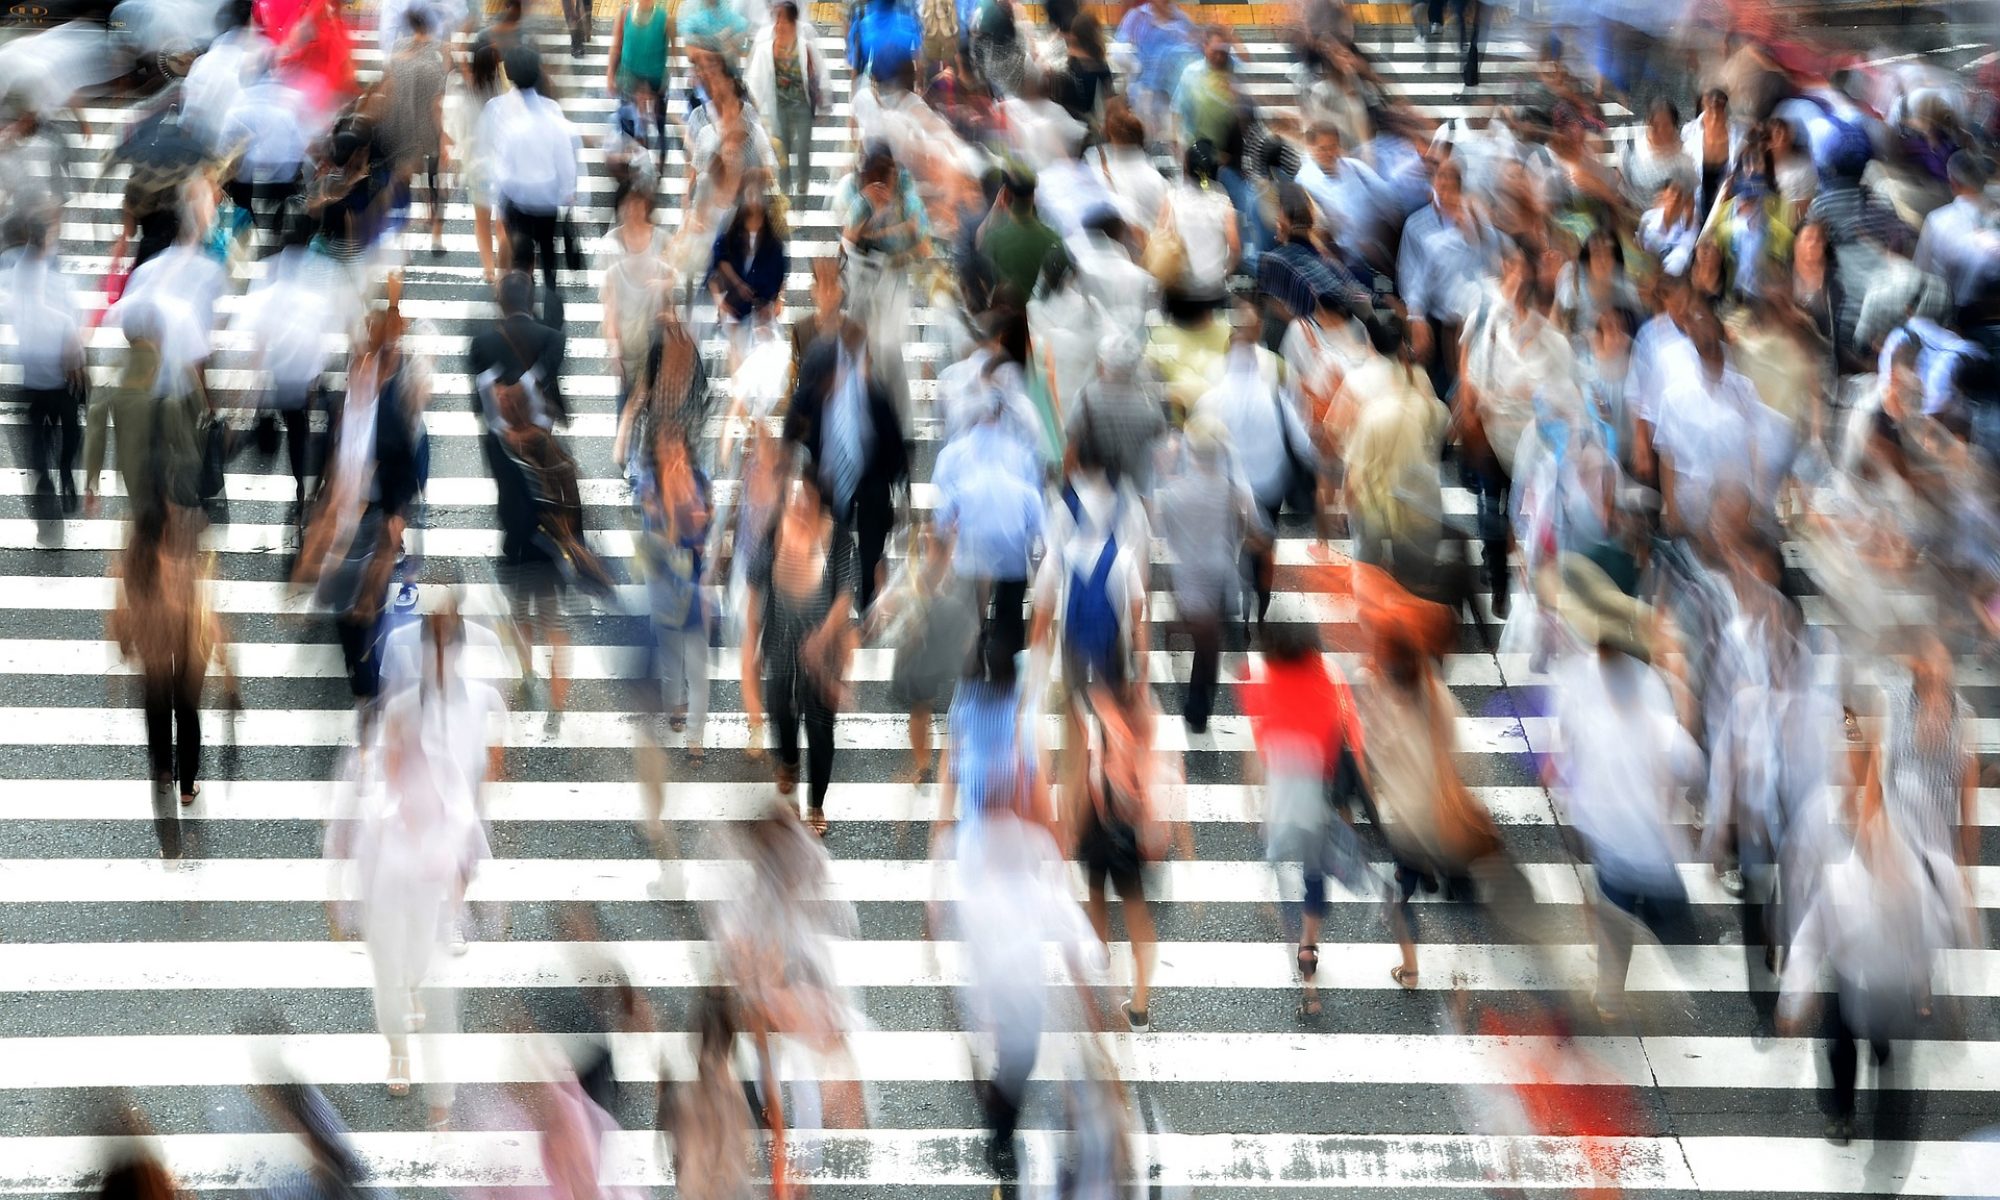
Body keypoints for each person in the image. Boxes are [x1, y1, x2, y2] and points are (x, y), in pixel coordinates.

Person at [107, 506, 235, 849]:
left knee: (156, 705)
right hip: (188, 646)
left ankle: (164, 768)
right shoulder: (179, 563)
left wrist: (122, 638)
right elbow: (203, 614)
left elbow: (120, 607)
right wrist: (225, 662)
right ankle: (187, 785)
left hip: (153, 644)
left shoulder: (134, 562)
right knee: (188, 711)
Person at [743, 469, 859, 836]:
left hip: (823, 651)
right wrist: (753, 634)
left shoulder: (837, 539)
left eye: (805, 498)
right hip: (781, 638)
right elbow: (755, 578)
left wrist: (823, 637)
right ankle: (789, 761)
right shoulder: (779, 528)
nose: (797, 504)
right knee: (780, 707)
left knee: (821, 729)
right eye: (795, 497)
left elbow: (845, 594)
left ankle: (817, 803)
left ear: (821, 503)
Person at [784, 303, 910, 615]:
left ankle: (865, 602)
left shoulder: (872, 393)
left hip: (871, 482)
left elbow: (893, 441)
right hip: (827, 479)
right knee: (829, 544)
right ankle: (829, 602)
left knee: (870, 552)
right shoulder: (815, 386)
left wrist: (903, 488)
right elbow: (794, 420)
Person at [1154, 414, 1255, 733]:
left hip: (1189, 576)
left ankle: (1195, 706)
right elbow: (1240, 530)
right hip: (1220, 575)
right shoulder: (1229, 491)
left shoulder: (1172, 494)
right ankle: (1197, 711)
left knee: (1206, 642)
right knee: (1209, 649)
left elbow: (1165, 535)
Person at [479, 48, 581, 292]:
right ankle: (550, 292)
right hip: (547, 199)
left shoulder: (495, 108)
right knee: (548, 253)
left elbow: (494, 156)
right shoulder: (551, 109)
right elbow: (565, 155)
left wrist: (498, 195)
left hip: (517, 201)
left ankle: (521, 295)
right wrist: (569, 190)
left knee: (519, 254)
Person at [7, 214, 85, 515]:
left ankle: (45, 477)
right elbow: (47, 311)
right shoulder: (41, 272)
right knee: (71, 431)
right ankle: (65, 470)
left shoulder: (23, 268)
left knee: (37, 430)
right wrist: (73, 342)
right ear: (45, 239)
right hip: (58, 375)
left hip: (33, 373)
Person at [377, 6, 451, 255]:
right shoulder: (439, 52)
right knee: (435, 177)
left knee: (403, 180)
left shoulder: (398, 48)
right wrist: (444, 136)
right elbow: (437, 104)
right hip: (427, 126)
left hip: (400, 123)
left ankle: (402, 234)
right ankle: (436, 232)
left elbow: (387, 85)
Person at [597, 182, 672, 410]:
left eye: (637, 202)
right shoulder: (609, 245)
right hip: (627, 337)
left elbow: (677, 280)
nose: (632, 209)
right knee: (627, 404)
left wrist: (663, 284)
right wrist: (613, 347)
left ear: (647, 205)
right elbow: (609, 305)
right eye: (627, 203)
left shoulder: (662, 240)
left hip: (657, 334)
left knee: (658, 406)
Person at [746, 0, 826, 202]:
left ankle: (803, 182)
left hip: (802, 108)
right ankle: (785, 194)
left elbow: (820, 72)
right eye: (777, 20)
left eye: (784, 21)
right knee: (782, 152)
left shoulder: (805, 45)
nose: (779, 25)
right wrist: (752, 107)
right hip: (779, 108)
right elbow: (755, 81)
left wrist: (825, 103)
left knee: (802, 150)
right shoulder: (766, 49)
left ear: (793, 23)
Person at [707, 191, 789, 351]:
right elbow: (714, 272)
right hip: (735, 311)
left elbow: (781, 273)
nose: (755, 222)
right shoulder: (729, 241)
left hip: (762, 313)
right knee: (737, 356)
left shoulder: (773, 245)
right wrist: (721, 303)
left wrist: (778, 300)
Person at [606, 0, 670, 167]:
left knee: (658, 125)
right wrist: (610, 75)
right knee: (629, 127)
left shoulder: (664, 18)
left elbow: (670, 52)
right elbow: (617, 46)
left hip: (654, 81)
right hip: (628, 80)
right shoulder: (625, 14)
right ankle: (634, 166)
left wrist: (660, 87)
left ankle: (656, 162)